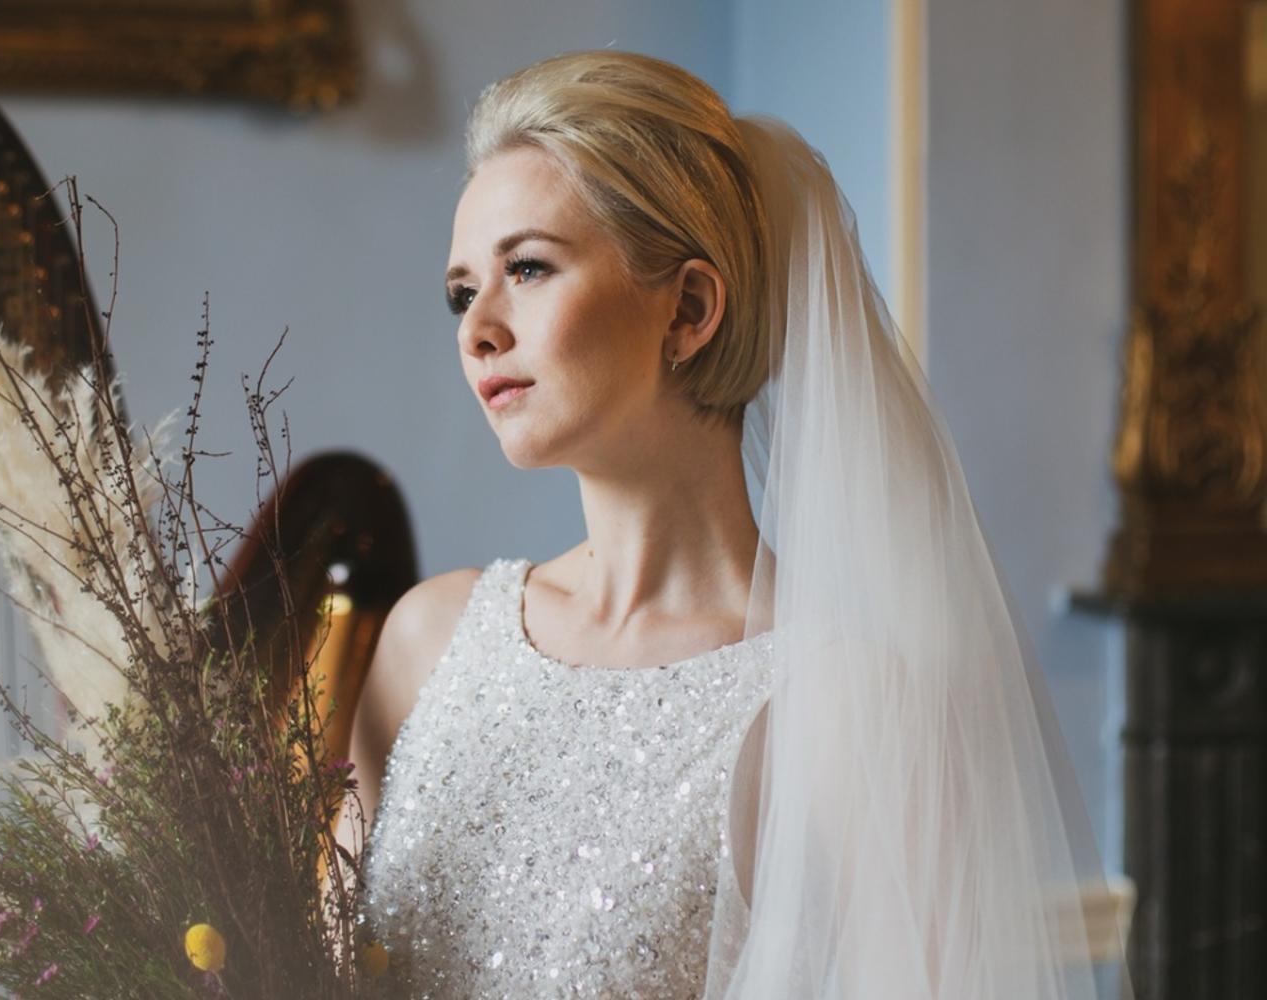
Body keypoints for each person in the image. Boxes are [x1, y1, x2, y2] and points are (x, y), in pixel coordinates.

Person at [339, 50, 1131, 1000]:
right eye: (464, 291)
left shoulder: (842, 710)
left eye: (530, 268)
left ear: (691, 308)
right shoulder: (430, 640)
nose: (478, 329)